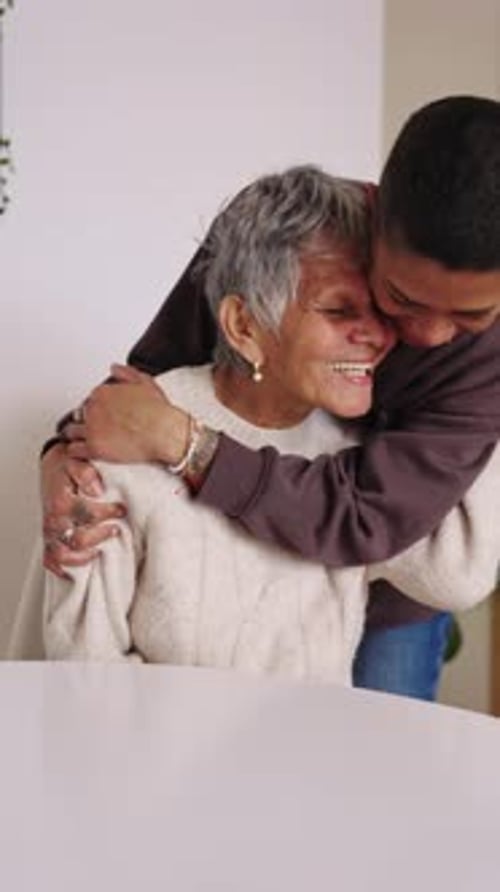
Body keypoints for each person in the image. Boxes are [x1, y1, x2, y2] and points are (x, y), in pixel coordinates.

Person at [40, 96, 500, 697]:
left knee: (376, 773)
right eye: (403, 298)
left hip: (387, 598)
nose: (428, 334)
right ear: (374, 219)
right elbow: (149, 383)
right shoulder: (279, 234)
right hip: (241, 580)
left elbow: (368, 515)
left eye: (472, 315)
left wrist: (187, 445)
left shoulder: (488, 358)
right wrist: (63, 457)